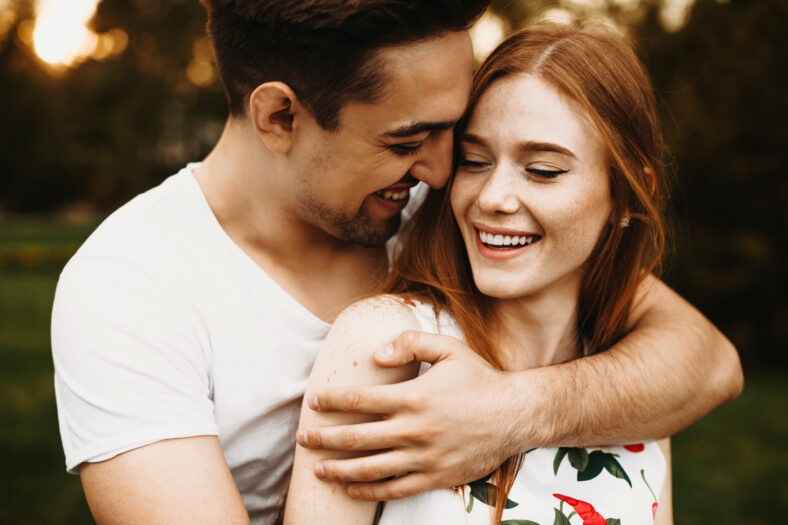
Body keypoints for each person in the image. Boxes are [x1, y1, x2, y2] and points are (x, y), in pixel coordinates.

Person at [50, 2, 741, 524]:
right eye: (410, 138)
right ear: (280, 117)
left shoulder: (435, 211)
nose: (445, 173)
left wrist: (514, 411)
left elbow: (705, 360)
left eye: (454, 135)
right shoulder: (128, 289)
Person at [286, 21, 690, 525]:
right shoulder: (389, 345)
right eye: (474, 161)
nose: (492, 198)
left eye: (543, 170)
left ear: (627, 196)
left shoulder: (637, 380)